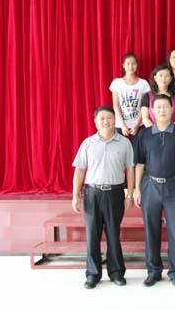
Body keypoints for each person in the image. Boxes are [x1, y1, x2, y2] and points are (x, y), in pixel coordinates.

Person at [133, 94, 175, 287]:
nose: (162, 110)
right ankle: (153, 271)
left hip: (174, 186)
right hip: (150, 186)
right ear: (152, 110)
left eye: (165, 107)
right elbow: (139, 164)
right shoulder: (144, 134)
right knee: (151, 230)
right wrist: (136, 189)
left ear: (172, 109)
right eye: (158, 107)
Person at [72, 106, 135, 289]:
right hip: (92, 193)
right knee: (92, 235)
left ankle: (116, 273)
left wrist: (129, 194)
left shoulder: (124, 143)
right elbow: (79, 170)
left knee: (113, 235)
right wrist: (76, 195)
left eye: (109, 118)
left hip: (115, 193)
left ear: (115, 120)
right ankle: (93, 274)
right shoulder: (88, 143)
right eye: (102, 118)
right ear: (95, 122)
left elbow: (130, 169)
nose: (106, 121)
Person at [109, 53, 150, 146]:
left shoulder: (143, 83)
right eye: (128, 63)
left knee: (136, 153)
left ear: (137, 65)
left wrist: (136, 125)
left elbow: (144, 107)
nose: (131, 66)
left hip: (138, 125)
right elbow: (116, 106)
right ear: (123, 65)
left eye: (133, 63)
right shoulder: (117, 83)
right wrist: (122, 125)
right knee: (120, 152)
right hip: (120, 125)